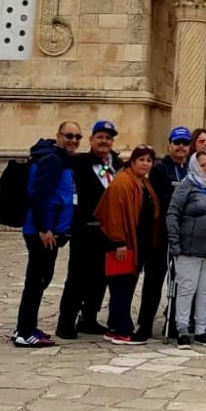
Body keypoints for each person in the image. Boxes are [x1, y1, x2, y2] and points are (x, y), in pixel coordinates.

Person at [12, 121, 80, 348]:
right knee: (37, 279)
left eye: (78, 137)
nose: (73, 140)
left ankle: (26, 325)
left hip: (47, 230)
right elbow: (39, 195)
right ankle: (24, 331)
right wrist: (44, 228)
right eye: (69, 136)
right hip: (42, 231)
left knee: (41, 278)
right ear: (58, 136)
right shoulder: (52, 160)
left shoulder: (58, 158)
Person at [57, 119, 122, 340]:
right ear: (92, 139)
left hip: (107, 232)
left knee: (100, 277)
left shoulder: (118, 165)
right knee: (77, 277)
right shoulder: (79, 163)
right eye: (100, 137)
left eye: (108, 138)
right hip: (85, 230)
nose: (104, 141)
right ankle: (66, 320)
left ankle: (89, 317)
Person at [95, 144, 162, 344]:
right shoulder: (123, 182)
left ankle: (117, 324)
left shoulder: (142, 182)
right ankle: (120, 328)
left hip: (139, 244)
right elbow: (113, 214)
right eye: (141, 159)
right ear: (132, 161)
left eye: (149, 160)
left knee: (125, 285)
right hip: (123, 244)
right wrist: (119, 242)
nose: (145, 163)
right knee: (121, 285)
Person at [167, 152, 206, 347]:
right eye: (203, 165)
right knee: (186, 289)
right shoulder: (187, 185)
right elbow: (173, 213)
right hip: (189, 248)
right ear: (194, 166)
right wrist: (174, 242)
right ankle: (182, 329)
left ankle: (201, 329)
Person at [140, 126, 191, 341]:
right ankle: (144, 325)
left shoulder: (190, 168)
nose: (181, 147)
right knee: (154, 281)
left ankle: (173, 323)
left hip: (184, 235)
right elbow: (157, 199)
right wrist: (179, 198)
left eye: (185, 143)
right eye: (177, 142)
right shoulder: (161, 169)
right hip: (160, 235)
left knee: (180, 282)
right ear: (169, 144)